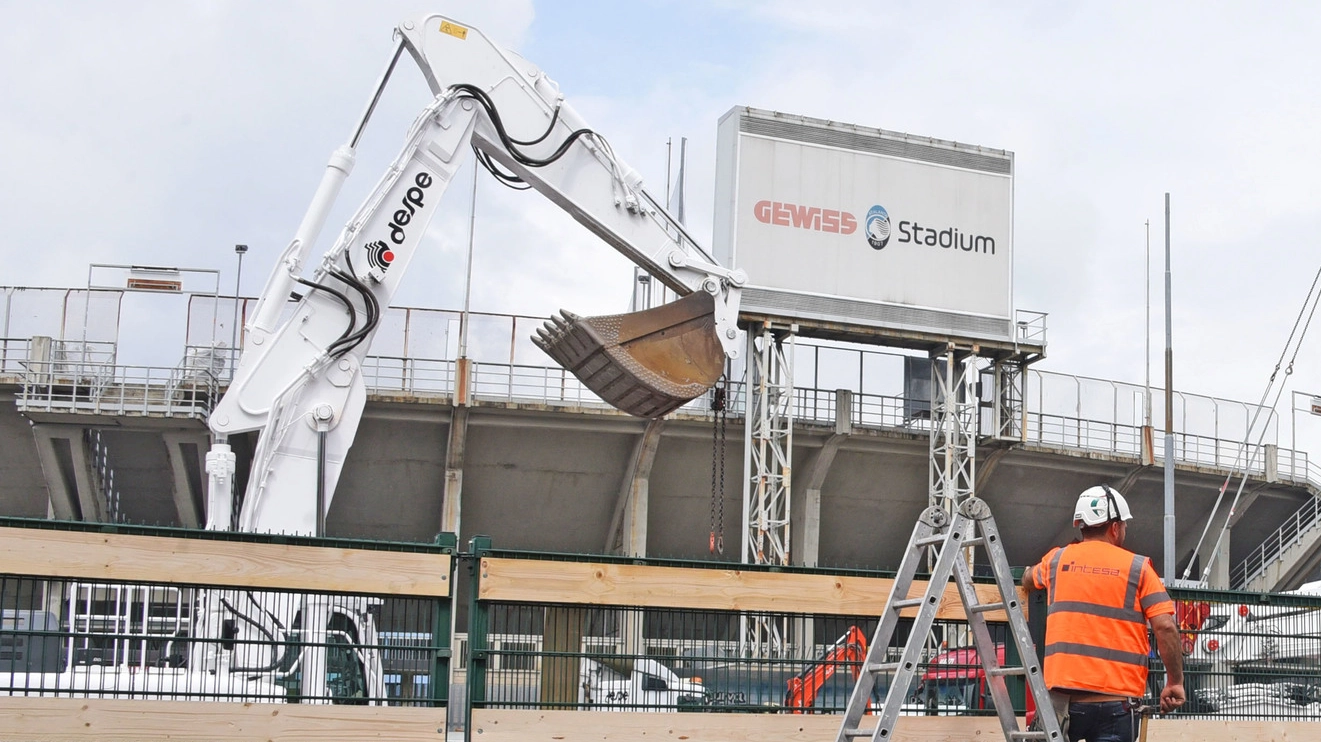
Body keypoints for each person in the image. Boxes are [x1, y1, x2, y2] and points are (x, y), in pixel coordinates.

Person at [1021, 484, 1185, 742]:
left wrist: (1030, 576)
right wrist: (1175, 681)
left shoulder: (1056, 560)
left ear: (1081, 525)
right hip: (1117, 706)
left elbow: (1028, 578)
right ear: (1115, 527)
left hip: (1063, 705)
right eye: (1125, 526)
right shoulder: (1138, 567)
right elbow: (1164, 626)